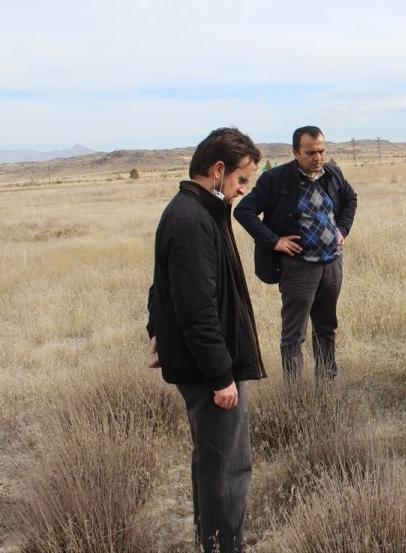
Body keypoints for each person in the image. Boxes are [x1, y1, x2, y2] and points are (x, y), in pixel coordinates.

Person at [146, 127, 265, 553]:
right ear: (218, 171)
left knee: (214, 463)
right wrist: (220, 376)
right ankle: (221, 546)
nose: (242, 190)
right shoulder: (191, 219)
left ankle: (215, 541)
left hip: (203, 364)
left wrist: (157, 330)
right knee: (227, 468)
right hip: (209, 370)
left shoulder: (193, 211)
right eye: (241, 179)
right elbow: (195, 308)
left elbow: (163, 285)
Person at [235, 126, 357, 381]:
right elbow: (244, 211)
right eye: (310, 152)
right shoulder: (276, 179)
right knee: (294, 335)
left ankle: (326, 386)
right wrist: (274, 241)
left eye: (322, 151)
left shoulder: (332, 174)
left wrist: (342, 229)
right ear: (295, 152)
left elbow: (350, 199)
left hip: (332, 265)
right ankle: (295, 394)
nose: (318, 157)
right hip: (298, 267)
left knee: (326, 328)